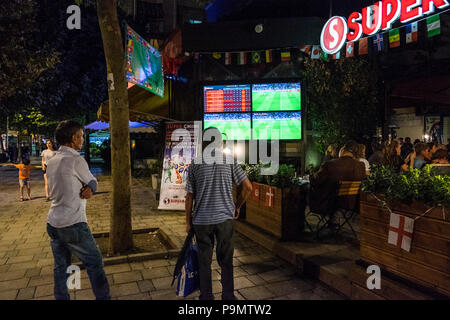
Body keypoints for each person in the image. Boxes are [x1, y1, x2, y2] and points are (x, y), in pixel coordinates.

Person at [185, 128, 252, 300]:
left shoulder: (195, 163)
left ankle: (206, 296)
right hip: (225, 219)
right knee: (226, 260)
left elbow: (189, 196)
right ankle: (228, 296)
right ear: (220, 142)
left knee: (204, 262)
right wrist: (237, 206)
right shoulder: (229, 160)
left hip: (201, 220)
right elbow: (248, 187)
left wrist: (187, 221)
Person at [46, 120, 110, 300]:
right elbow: (93, 180)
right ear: (74, 139)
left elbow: (85, 184)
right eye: (81, 136)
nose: (82, 139)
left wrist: (90, 188)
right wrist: (92, 187)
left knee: (61, 266)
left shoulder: (52, 160)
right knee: (95, 262)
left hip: (53, 221)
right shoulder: (76, 159)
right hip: (72, 222)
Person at [309, 140, 366, 228]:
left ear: (343, 150)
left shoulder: (330, 164)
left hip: (327, 202)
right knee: (333, 192)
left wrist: (310, 176)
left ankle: (296, 226)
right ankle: (333, 222)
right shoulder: (361, 166)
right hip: (351, 204)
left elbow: (315, 181)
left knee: (303, 191)